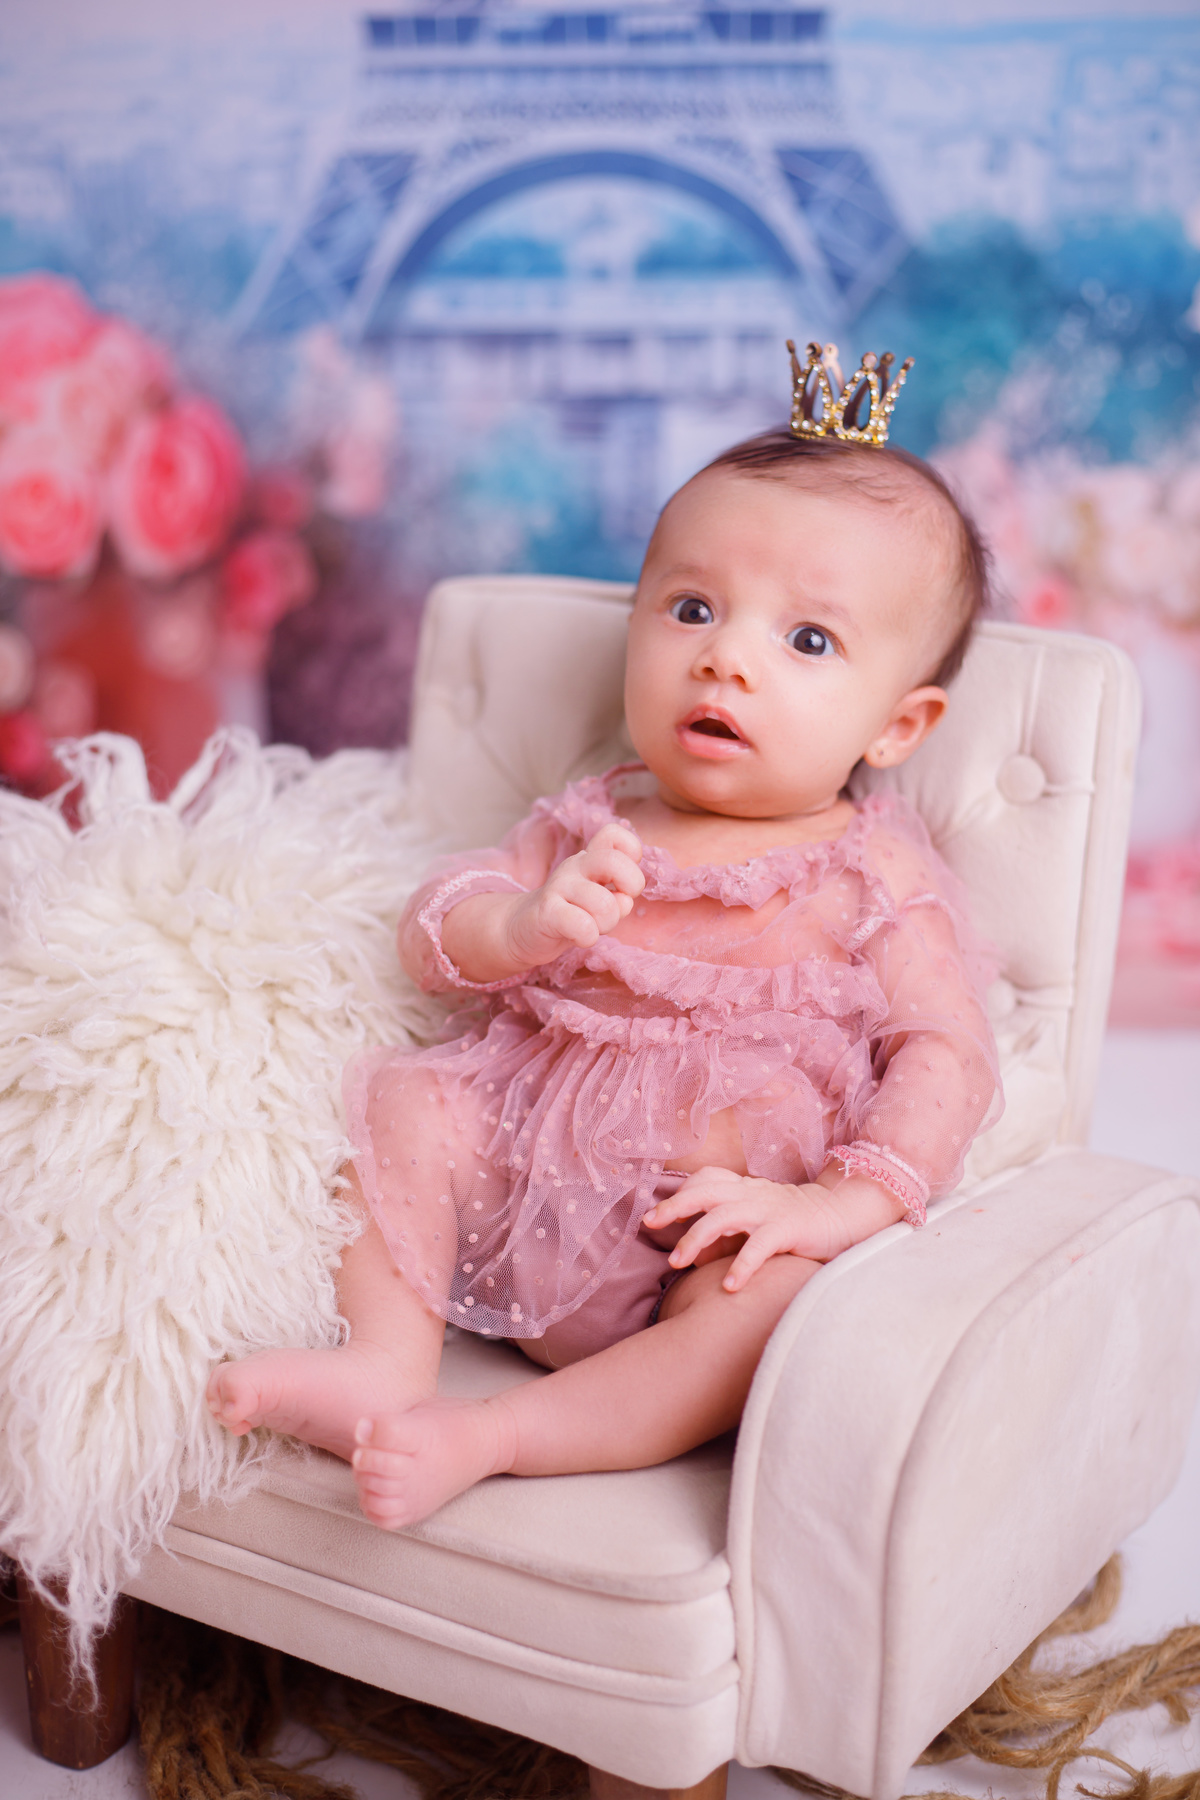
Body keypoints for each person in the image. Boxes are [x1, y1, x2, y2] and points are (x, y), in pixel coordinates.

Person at [207, 416, 1001, 1531]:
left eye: (807, 639)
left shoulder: (868, 871)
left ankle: (499, 1436)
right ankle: (385, 1361)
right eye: (693, 609)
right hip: (521, 1176)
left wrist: (839, 1203)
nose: (725, 658)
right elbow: (435, 930)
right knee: (407, 1100)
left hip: (699, 1236)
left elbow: (946, 1053)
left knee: (766, 1304)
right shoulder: (591, 818)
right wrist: (520, 924)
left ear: (899, 725)